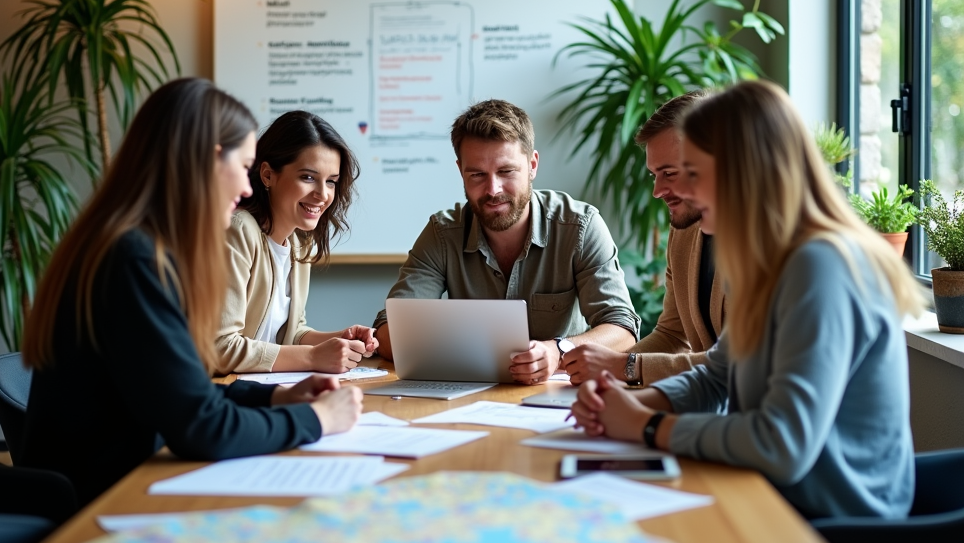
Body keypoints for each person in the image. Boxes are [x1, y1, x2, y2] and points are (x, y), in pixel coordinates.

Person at [571, 80, 924, 520]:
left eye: (694, 173)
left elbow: (783, 444)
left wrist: (647, 425)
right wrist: (632, 405)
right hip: (772, 499)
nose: (686, 194)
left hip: (833, 528)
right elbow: (719, 377)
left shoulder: (820, 266)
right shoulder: (769, 261)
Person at [20, 79, 362, 506]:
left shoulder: (130, 245)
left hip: (120, 478)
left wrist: (277, 396)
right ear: (206, 161)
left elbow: (180, 388)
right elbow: (202, 427)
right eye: (243, 167)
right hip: (100, 501)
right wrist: (315, 420)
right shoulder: (134, 260)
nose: (245, 188)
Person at [373, 99, 640, 384]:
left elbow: (622, 328)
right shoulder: (442, 233)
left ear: (532, 165)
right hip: (468, 393)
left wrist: (559, 351)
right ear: (460, 171)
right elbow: (390, 329)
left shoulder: (579, 227)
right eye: (477, 174)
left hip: (557, 395)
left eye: (506, 171)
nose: (492, 189)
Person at [563, 91, 726, 388]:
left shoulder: (769, 242)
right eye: (654, 175)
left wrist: (627, 367)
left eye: (669, 173)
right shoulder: (684, 230)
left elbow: (740, 366)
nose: (657, 190)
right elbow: (673, 336)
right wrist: (605, 377)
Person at [215, 111, 378, 376]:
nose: (322, 195)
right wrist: (313, 357)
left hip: (259, 390)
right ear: (267, 175)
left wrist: (341, 339)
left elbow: (290, 333)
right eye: (308, 177)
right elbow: (220, 347)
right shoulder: (239, 229)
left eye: (331, 182)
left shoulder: (299, 244)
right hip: (220, 394)